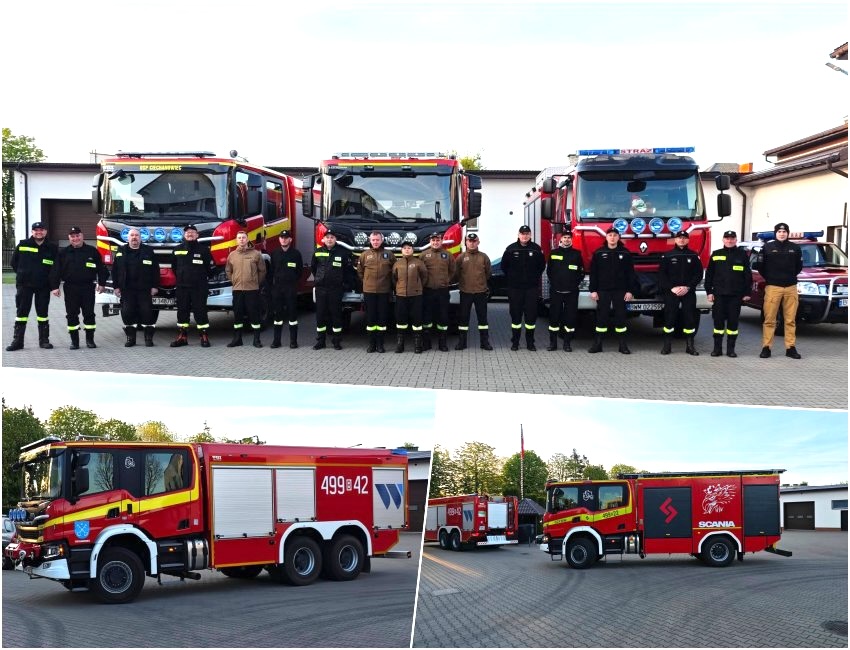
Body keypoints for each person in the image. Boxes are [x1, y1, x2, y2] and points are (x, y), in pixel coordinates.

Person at [6, 221, 59, 351]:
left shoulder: (52, 247)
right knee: (21, 313)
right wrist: (23, 274)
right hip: (25, 285)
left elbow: (55, 268)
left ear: (45, 232)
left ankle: (44, 340)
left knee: (42, 314)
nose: (39, 232)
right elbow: (14, 263)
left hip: (43, 286)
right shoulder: (23, 244)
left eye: (41, 230)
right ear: (32, 232)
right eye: (36, 230)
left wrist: (54, 286)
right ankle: (17, 341)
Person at [53, 226, 108, 350]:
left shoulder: (92, 251)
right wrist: (55, 287)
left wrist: (102, 283)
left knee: (89, 314)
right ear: (69, 238)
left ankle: (90, 340)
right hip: (70, 288)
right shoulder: (63, 253)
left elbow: (101, 268)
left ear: (82, 236)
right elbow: (55, 271)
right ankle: (75, 341)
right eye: (72, 236)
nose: (75, 238)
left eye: (77, 235)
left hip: (88, 287)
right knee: (72, 314)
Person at [755, 222, 803, 359]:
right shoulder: (767, 247)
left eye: (784, 231)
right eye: (779, 232)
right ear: (775, 233)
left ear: (788, 233)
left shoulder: (795, 248)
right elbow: (760, 266)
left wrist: (788, 277)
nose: (782, 234)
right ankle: (766, 347)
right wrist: (771, 278)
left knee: (790, 320)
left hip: (791, 287)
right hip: (773, 287)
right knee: (769, 319)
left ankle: (790, 348)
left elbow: (799, 267)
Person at [588, 227, 637, 354]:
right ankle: (597, 344)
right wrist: (593, 290)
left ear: (618, 237)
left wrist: (630, 291)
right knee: (601, 317)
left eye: (615, 235)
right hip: (603, 290)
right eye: (610, 235)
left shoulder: (625, 253)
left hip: (620, 291)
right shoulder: (599, 253)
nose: (612, 237)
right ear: (606, 237)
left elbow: (631, 274)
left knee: (621, 317)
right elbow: (594, 273)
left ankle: (623, 345)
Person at [705, 230, 752, 358]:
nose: (729, 241)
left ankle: (731, 350)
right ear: (723, 240)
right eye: (727, 238)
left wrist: (747, 292)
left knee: (733, 323)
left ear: (736, 240)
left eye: (732, 238)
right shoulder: (716, 254)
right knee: (718, 323)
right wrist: (709, 292)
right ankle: (717, 349)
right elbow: (709, 275)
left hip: (735, 296)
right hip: (719, 295)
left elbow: (747, 275)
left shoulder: (742, 255)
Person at [112, 227, 160, 347]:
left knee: (147, 313)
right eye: (132, 235)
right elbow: (115, 270)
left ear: (140, 238)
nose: (134, 238)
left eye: (136, 235)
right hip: (127, 289)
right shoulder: (121, 250)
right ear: (128, 238)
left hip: (144, 289)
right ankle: (130, 339)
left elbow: (155, 270)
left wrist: (155, 286)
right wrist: (116, 286)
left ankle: (148, 339)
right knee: (127, 313)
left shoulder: (148, 251)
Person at [501, 224, 546, 351]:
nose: (525, 236)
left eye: (527, 234)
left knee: (531, 316)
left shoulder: (537, 249)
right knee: (515, 316)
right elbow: (504, 267)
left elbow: (541, 266)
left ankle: (530, 343)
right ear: (518, 235)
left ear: (530, 235)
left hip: (531, 289)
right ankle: (515, 342)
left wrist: (533, 278)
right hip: (515, 289)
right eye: (522, 234)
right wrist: (513, 278)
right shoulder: (510, 249)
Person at [658, 231, 703, 356]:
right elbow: (662, 275)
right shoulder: (667, 256)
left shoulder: (693, 255)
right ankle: (667, 346)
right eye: (679, 238)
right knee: (669, 318)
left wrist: (688, 287)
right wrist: (671, 288)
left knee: (689, 319)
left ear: (688, 240)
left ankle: (690, 346)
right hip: (672, 292)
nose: (682, 240)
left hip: (688, 292)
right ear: (675, 240)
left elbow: (698, 274)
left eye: (684, 238)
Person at [169, 224, 213, 348]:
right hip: (182, 288)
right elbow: (174, 267)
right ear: (184, 235)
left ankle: (204, 337)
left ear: (197, 235)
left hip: (199, 288)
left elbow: (209, 269)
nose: (190, 234)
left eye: (193, 232)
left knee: (201, 312)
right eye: (187, 232)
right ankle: (182, 337)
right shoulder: (177, 249)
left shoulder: (204, 250)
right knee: (182, 312)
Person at [310, 229, 351, 350]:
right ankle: (321, 341)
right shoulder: (317, 252)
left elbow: (347, 271)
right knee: (320, 315)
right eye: (327, 237)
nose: (329, 239)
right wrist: (319, 280)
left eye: (332, 237)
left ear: (335, 239)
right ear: (323, 239)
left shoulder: (342, 253)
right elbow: (314, 268)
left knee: (336, 315)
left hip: (336, 289)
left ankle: (337, 341)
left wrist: (345, 285)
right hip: (321, 288)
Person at [225, 231, 266, 348]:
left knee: (254, 314)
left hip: (252, 290)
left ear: (248, 239)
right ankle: (237, 339)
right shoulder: (232, 255)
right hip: (237, 289)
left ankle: (256, 340)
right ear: (236, 240)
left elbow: (262, 271)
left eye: (243, 237)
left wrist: (255, 282)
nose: (241, 239)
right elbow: (228, 270)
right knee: (237, 314)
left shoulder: (256, 254)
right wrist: (234, 280)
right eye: (239, 238)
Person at [546, 230, 584, 351]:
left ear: (571, 240)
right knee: (554, 318)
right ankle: (553, 344)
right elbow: (549, 271)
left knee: (570, 319)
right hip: (556, 292)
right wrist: (555, 283)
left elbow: (580, 273)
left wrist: (574, 284)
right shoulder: (553, 253)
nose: (567, 239)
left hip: (571, 293)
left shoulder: (577, 254)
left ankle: (567, 343)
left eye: (569, 237)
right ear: (560, 239)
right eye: (564, 237)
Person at [357, 231, 395, 353]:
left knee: (382, 319)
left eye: (377, 240)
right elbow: (360, 271)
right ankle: (371, 344)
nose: (375, 242)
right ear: (370, 241)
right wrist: (366, 282)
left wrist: (390, 285)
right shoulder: (364, 254)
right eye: (373, 240)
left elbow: (394, 271)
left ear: (381, 240)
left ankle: (380, 344)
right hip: (369, 291)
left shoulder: (389, 254)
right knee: (370, 318)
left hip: (384, 291)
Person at [454, 233, 493, 350]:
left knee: (483, 319)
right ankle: (462, 342)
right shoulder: (461, 257)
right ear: (466, 242)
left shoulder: (484, 257)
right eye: (469, 241)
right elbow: (456, 274)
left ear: (478, 242)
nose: (472, 243)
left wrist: (480, 284)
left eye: (474, 241)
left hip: (480, 292)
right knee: (463, 318)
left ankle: (484, 342)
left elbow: (488, 273)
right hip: (465, 292)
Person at [420, 232, 455, 352]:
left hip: (442, 291)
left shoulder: (447, 255)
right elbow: (420, 272)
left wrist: (446, 281)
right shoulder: (423, 255)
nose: (435, 242)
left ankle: (442, 343)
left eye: (438, 240)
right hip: (428, 291)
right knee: (426, 318)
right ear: (430, 242)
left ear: (441, 241)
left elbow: (453, 271)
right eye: (433, 240)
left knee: (443, 317)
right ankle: (426, 343)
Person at [269, 230, 303, 349]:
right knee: (277, 316)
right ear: (279, 240)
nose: (284, 239)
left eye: (286, 237)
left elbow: (300, 272)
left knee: (292, 316)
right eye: (282, 237)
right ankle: (276, 341)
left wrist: (292, 280)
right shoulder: (274, 253)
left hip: (290, 288)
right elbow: (271, 271)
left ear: (290, 240)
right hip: (277, 288)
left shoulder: (296, 254)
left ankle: (293, 341)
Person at [392, 240, 428, 353]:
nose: (407, 250)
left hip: (416, 295)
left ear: (412, 250)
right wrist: (398, 288)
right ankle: (400, 344)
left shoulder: (418, 263)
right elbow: (394, 278)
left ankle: (418, 345)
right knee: (401, 320)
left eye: (409, 248)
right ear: (401, 251)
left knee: (417, 320)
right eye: (404, 248)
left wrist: (418, 287)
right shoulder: (397, 264)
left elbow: (424, 277)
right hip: (401, 295)